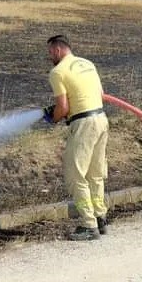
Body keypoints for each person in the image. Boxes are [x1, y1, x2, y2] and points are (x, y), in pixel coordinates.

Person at [45, 35, 109, 241]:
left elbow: (62, 108)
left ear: (57, 50)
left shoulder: (57, 72)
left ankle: (88, 225)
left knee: (75, 176)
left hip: (83, 125)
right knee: (95, 174)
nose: (49, 56)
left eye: (50, 52)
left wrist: (53, 117)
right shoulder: (87, 63)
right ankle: (100, 217)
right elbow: (100, 94)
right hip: (101, 119)